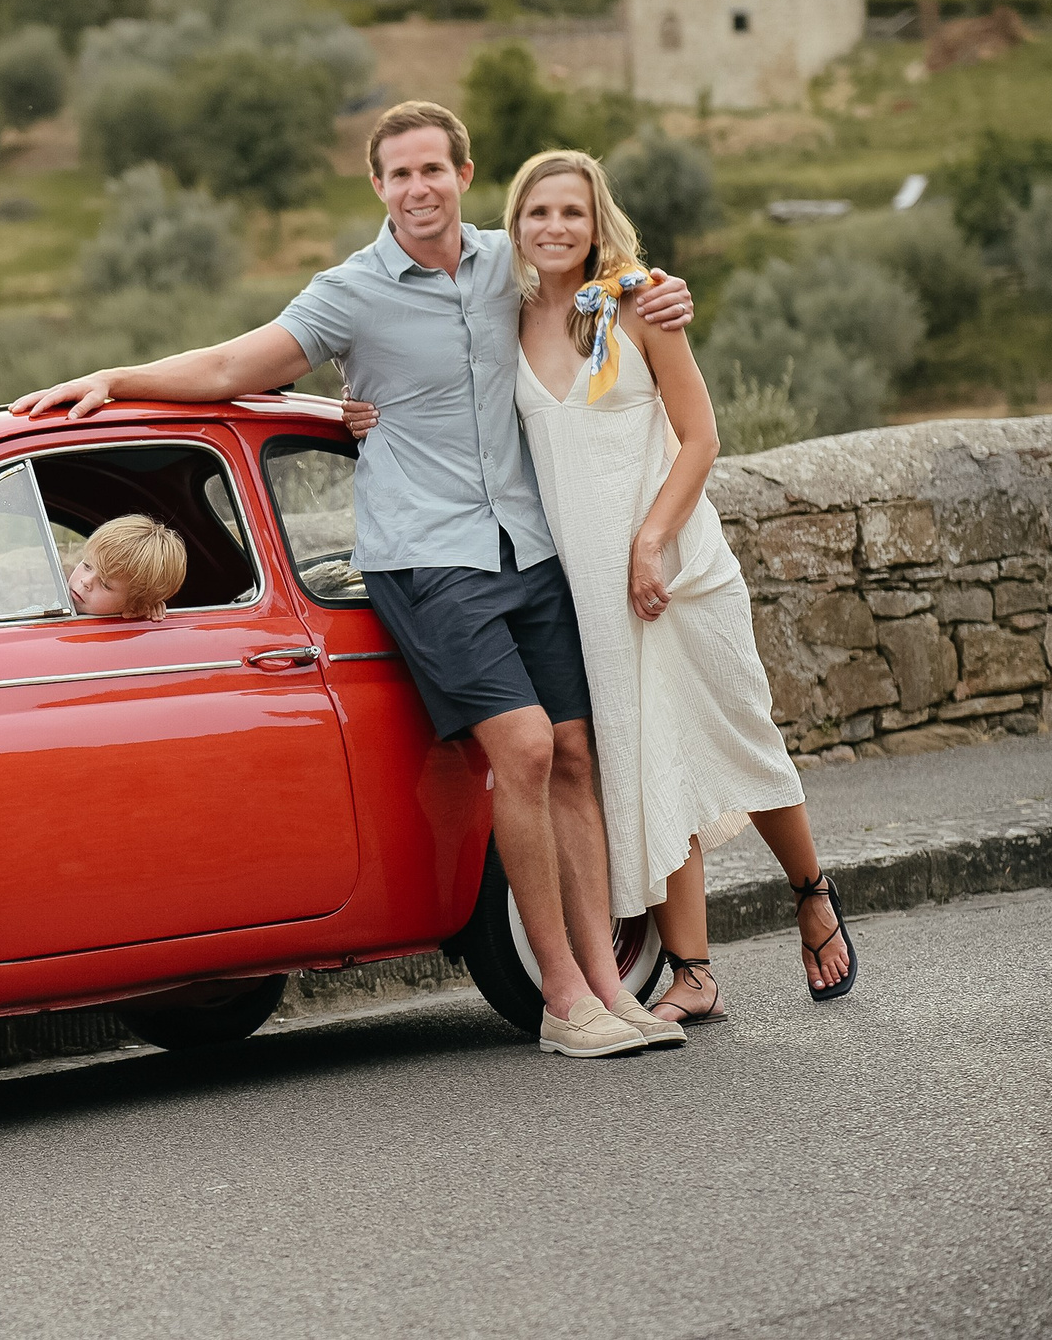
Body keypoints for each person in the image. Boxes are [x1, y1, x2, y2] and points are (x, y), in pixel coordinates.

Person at [12, 99, 698, 1058]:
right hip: (426, 554)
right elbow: (228, 362)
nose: (419, 188)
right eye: (400, 174)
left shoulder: (512, 261)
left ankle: (606, 985)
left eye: (434, 170)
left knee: (579, 756)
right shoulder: (350, 292)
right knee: (528, 751)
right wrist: (118, 380)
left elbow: (606, 280)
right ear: (377, 187)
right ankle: (561, 1000)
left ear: (464, 174)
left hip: (528, 545)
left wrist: (664, 294)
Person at [342, 151, 856, 1019]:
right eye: (537, 213)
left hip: (674, 565)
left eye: (571, 214)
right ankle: (693, 970)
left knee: (739, 737)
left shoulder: (639, 304)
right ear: (516, 224)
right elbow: (439, 384)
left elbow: (701, 438)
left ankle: (811, 890)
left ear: (596, 222)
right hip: (583, 580)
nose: (554, 229)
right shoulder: (502, 316)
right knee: (646, 756)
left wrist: (652, 541)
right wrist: (359, 409)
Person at [67, 514, 187, 620]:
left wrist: (144, 616)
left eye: (105, 584)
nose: (86, 581)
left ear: (134, 610)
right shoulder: (54, 588)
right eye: (87, 566)